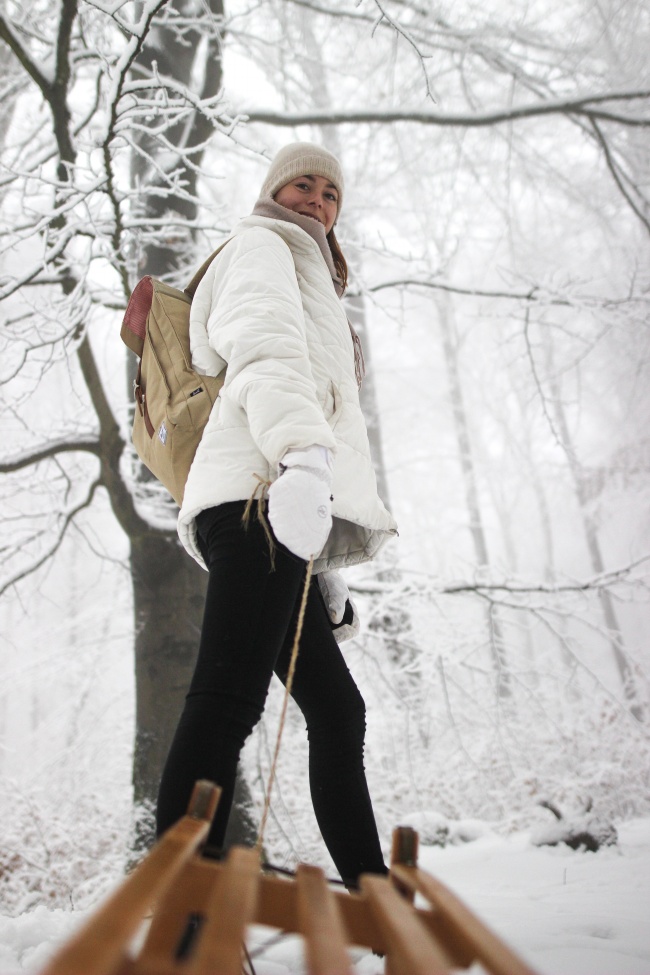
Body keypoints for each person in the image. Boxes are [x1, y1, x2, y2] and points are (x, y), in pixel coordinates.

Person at [156, 142, 398, 888]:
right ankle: (185, 912)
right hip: (263, 495)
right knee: (229, 704)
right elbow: (261, 353)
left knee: (339, 710)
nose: (318, 200)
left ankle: (370, 890)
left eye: (332, 192)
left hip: (287, 508)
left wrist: (321, 560)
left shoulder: (316, 278)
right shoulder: (263, 245)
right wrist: (301, 459)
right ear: (273, 191)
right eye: (303, 183)